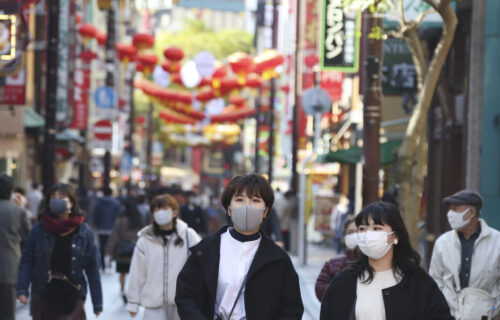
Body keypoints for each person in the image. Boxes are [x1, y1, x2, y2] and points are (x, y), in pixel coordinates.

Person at [175, 173, 304, 320]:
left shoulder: (278, 259)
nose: (247, 207)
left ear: (265, 211)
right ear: (229, 208)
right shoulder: (205, 251)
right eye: (239, 199)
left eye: (255, 200)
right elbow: (185, 296)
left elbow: (292, 308)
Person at [320, 201, 452, 320]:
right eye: (362, 229)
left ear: (395, 236)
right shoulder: (344, 281)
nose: (368, 235)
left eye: (377, 228)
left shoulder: (418, 283)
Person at [17, 183, 102, 319]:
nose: (56, 200)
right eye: (53, 197)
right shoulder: (39, 230)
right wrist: (22, 290)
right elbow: (26, 261)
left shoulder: (84, 232)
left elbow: (93, 269)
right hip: (43, 296)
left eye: (62, 197)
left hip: (73, 297)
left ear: (72, 203)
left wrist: (97, 302)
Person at [126, 194, 201, 320]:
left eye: (165, 209)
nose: (160, 213)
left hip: (182, 303)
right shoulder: (145, 239)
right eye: (156, 209)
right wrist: (133, 303)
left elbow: (200, 267)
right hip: (153, 304)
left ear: (174, 212)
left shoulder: (189, 236)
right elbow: (137, 272)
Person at [429, 190, 500, 320]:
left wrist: (494, 309)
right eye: (449, 209)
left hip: (486, 315)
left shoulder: (497, 241)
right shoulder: (442, 242)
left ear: (471, 213)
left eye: (455, 209)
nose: (450, 214)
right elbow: (435, 280)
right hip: (448, 315)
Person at [0, 173, 30, 320]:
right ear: (11, 191)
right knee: (7, 313)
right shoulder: (18, 212)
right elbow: (28, 238)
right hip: (9, 269)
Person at [106, 197, 146, 303]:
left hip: (122, 250)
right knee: (135, 272)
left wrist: (109, 249)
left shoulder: (121, 220)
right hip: (136, 249)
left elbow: (114, 235)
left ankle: (123, 290)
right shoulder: (139, 219)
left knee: (122, 272)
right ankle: (133, 292)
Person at [315, 216, 359, 301]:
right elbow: (320, 289)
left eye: (359, 231)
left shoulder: (372, 263)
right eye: (351, 232)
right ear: (345, 236)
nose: (355, 236)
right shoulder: (332, 263)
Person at [92, 186, 122, 270]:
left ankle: (102, 264)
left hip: (101, 228)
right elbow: (118, 215)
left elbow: (95, 216)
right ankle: (109, 261)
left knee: (102, 246)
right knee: (111, 245)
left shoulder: (98, 203)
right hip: (112, 228)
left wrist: (97, 225)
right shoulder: (115, 203)